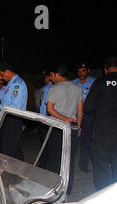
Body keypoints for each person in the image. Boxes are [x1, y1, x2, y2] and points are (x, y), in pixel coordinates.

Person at [46, 65, 83, 195]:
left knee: (55, 159)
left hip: (57, 127)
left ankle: (55, 189)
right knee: (69, 159)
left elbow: (50, 109)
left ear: (57, 74)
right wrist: (78, 126)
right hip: (72, 128)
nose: (50, 79)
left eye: (51, 75)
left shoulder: (54, 89)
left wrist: (64, 118)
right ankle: (68, 188)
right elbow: (79, 110)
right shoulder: (77, 88)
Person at [83, 56, 117, 191]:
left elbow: (88, 107)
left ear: (105, 69)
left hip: (103, 133)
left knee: (101, 166)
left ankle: (103, 196)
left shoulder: (100, 82)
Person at [0, 61, 28, 159]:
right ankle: (21, 170)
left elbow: (15, 107)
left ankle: (9, 172)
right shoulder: (11, 84)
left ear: (8, 72)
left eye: (1, 74)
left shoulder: (16, 84)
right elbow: (9, 102)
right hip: (9, 118)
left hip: (13, 119)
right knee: (14, 148)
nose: (0, 77)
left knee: (8, 148)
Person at [72, 61, 96, 172]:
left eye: (83, 71)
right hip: (74, 116)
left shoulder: (94, 82)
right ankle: (69, 165)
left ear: (88, 71)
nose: (81, 73)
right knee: (73, 140)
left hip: (89, 116)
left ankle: (84, 165)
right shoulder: (73, 83)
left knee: (87, 141)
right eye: (79, 71)